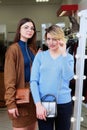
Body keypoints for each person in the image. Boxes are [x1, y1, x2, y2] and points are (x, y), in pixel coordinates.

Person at [30, 25, 74, 130]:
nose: (51, 42)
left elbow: (69, 77)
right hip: (44, 103)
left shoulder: (68, 57)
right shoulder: (40, 56)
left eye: (55, 39)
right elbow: (33, 81)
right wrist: (38, 105)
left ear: (61, 39)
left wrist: (64, 54)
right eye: (48, 39)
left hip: (64, 104)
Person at [4, 18, 37, 130]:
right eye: (26, 27)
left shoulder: (32, 49)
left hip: (33, 98)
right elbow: (9, 80)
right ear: (19, 30)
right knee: (20, 127)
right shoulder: (13, 50)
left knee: (32, 127)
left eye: (32, 28)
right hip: (20, 98)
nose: (30, 30)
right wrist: (11, 104)